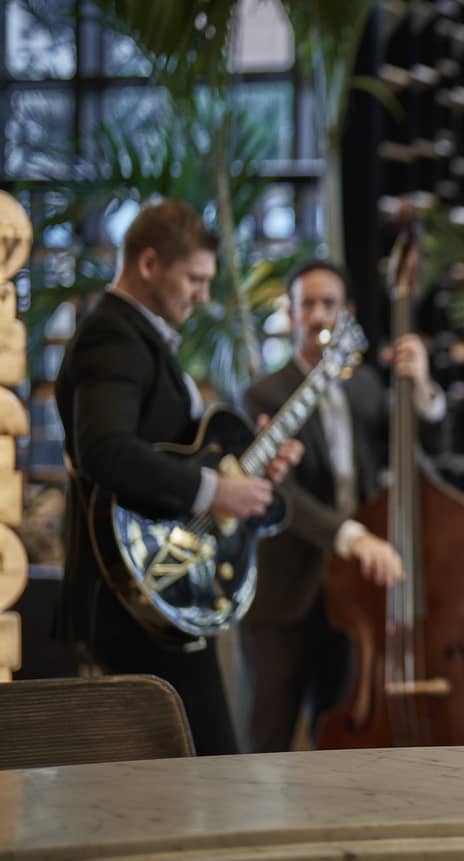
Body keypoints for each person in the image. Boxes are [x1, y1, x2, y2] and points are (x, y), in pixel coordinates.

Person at [53, 198, 301, 755]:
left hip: (159, 596)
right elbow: (106, 451)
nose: (203, 295)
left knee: (198, 781)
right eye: (194, 278)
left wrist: (251, 465)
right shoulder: (112, 337)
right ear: (147, 264)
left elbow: (180, 449)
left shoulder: (137, 336)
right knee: (201, 779)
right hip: (130, 603)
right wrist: (218, 490)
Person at [239, 259, 446, 752]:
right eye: (306, 304)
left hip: (354, 593)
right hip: (284, 592)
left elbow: (422, 455)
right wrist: (351, 537)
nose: (317, 315)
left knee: (336, 735)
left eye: (328, 304)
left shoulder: (369, 386)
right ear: (289, 315)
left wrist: (420, 389)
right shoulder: (261, 395)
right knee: (268, 734)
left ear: (347, 312)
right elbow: (278, 494)